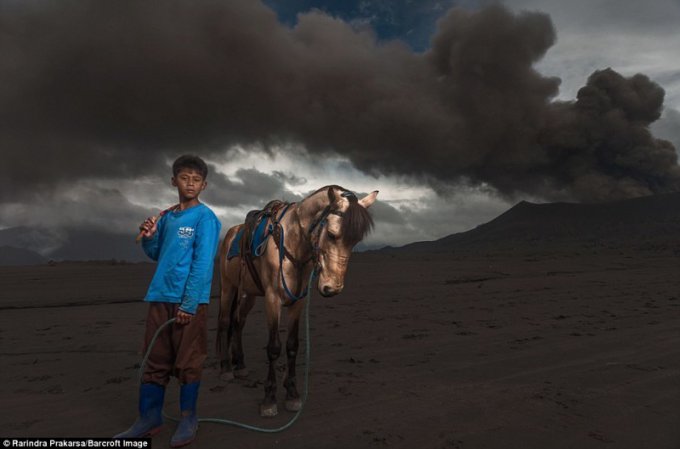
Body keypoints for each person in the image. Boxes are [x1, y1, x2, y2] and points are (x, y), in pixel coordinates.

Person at [114, 155, 221, 447]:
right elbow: (157, 253)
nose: (190, 183)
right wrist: (149, 237)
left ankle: (188, 418)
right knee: (155, 359)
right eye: (184, 178)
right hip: (160, 295)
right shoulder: (168, 217)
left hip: (190, 302)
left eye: (196, 179)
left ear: (204, 184)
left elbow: (202, 264)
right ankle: (149, 419)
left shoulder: (206, 218)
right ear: (173, 181)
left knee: (188, 361)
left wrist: (189, 304)